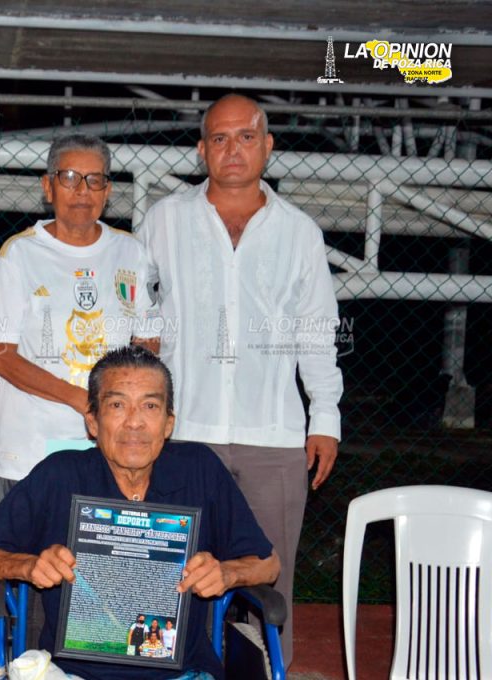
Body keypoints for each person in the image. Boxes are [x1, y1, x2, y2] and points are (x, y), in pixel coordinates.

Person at [135, 93, 343, 665]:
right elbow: (134, 310)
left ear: (268, 146)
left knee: (267, 582)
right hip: (181, 434)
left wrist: (324, 416)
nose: (233, 149)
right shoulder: (163, 220)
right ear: (202, 149)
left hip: (272, 435)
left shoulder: (299, 232)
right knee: (169, 576)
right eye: (220, 138)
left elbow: (316, 331)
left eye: (246, 136)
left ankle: (263, 673)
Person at [0, 346, 279, 680]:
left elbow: (268, 564)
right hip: (72, 672)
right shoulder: (59, 475)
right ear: (93, 422)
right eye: (117, 405)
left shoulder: (200, 471)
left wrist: (227, 574)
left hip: (181, 673)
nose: (134, 422)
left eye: (150, 406)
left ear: (169, 423)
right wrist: (28, 566)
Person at [0, 133, 157, 501]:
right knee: (29, 557)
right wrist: (80, 398)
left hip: (113, 448)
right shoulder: (19, 253)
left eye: (94, 180)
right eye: (70, 178)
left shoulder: (131, 252)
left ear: (107, 191)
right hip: (30, 449)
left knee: (102, 557)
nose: (82, 190)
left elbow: (149, 342)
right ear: (48, 187)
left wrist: (119, 405)